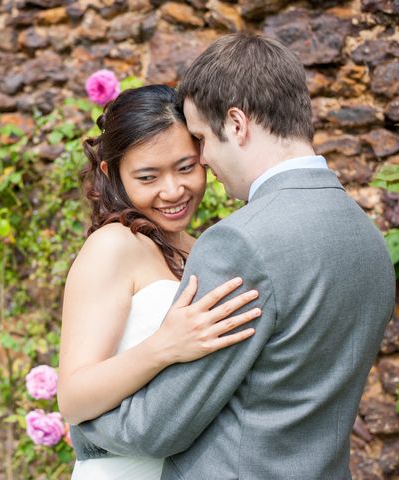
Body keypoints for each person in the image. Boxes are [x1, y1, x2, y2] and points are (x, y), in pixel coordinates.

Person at [71, 33, 395, 479]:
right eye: (149, 174)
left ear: (237, 125)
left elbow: (156, 429)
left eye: (198, 146)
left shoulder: (237, 243)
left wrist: (84, 433)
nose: (203, 162)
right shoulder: (366, 237)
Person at [57, 84, 262, 479]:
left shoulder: (201, 247)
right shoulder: (113, 246)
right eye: (148, 176)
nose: (173, 191)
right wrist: (162, 347)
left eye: (186, 167)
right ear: (111, 173)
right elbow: (73, 399)